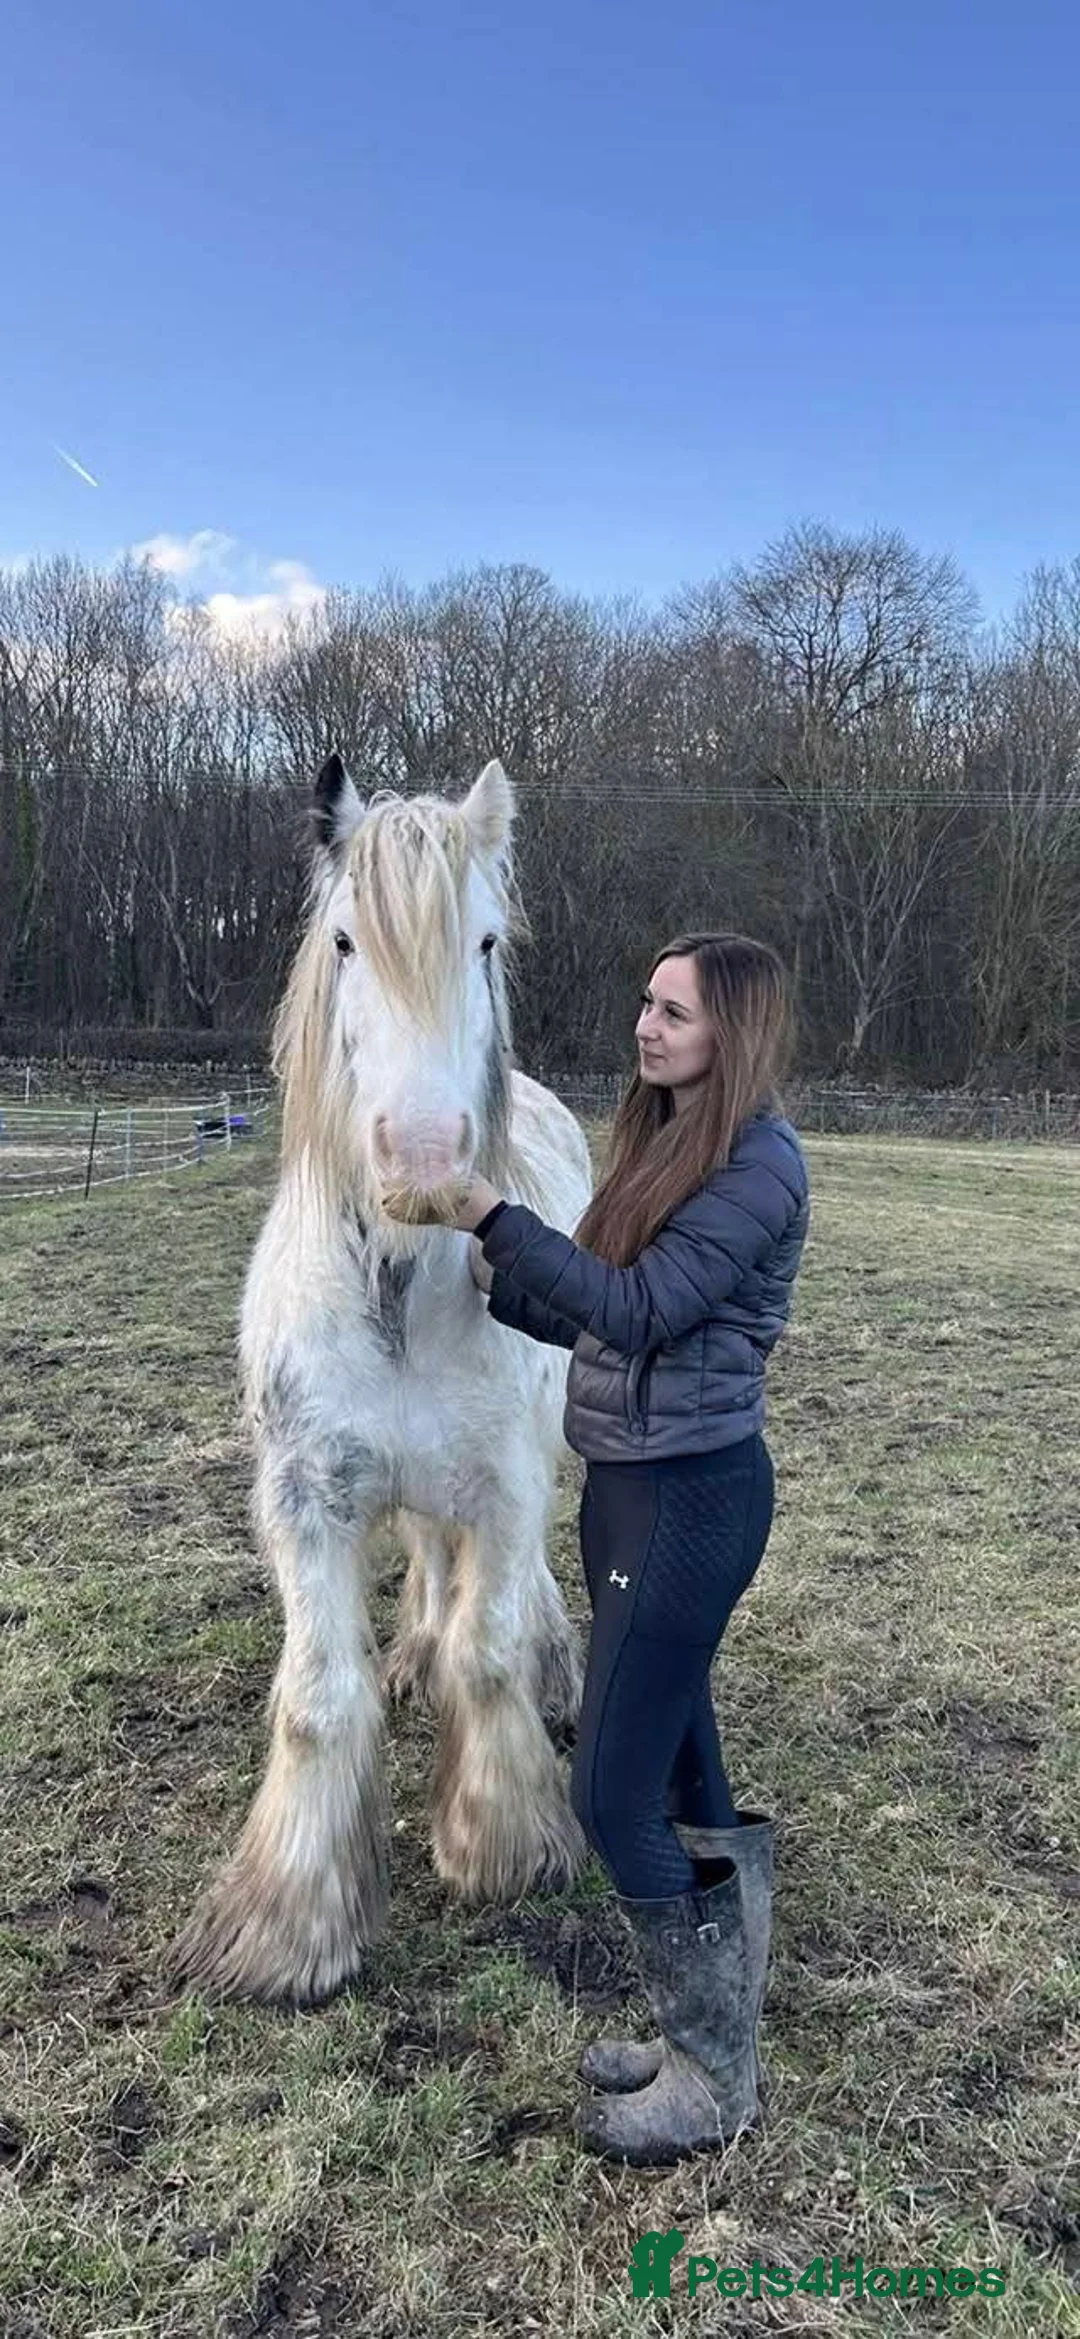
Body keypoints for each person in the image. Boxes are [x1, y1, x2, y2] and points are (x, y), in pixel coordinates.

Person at [398, 933, 810, 2166]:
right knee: (685, 1763)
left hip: (692, 1498)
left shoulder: (758, 1166)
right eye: (645, 1001)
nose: (646, 1024)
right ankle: (712, 2030)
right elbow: (591, 1302)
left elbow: (636, 1307)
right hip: (631, 1493)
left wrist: (491, 1208)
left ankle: (713, 2076)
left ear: (730, 1031)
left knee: (609, 1792)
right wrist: (488, 1264)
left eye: (674, 1012)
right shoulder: (668, 1139)